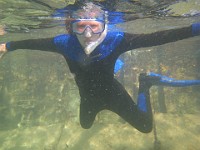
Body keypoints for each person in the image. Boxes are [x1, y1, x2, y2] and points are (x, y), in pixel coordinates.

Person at [0, 2, 200, 133]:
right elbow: (34, 44)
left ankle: (145, 83)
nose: (87, 34)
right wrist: (7, 46)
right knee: (85, 125)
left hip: (114, 94)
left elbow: (158, 38)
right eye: (81, 27)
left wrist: (194, 28)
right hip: (89, 98)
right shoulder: (64, 43)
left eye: (94, 26)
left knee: (146, 127)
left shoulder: (117, 40)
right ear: (72, 26)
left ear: (104, 23)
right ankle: (138, 79)